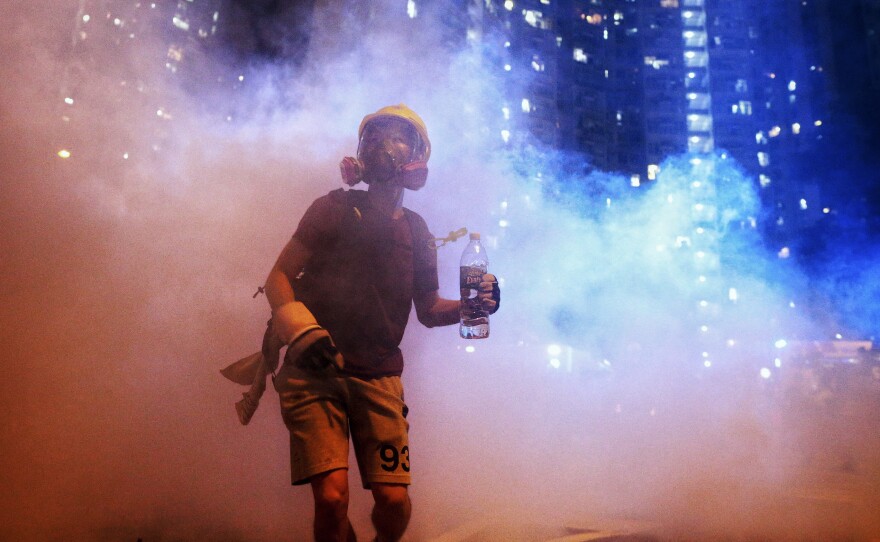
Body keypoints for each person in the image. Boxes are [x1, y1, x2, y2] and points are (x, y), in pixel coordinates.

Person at [263, 104, 500, 542]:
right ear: (360, 153)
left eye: (397, 138)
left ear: (416, 156)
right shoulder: (331, 209)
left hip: (378, 376)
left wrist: (474, 307)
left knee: (393, 504)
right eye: (376, 137)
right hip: (315, 372)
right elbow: (278, 276)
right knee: (332, 500)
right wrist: (299, 328)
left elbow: (428, 309)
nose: (384, 147)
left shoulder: (417, 232)